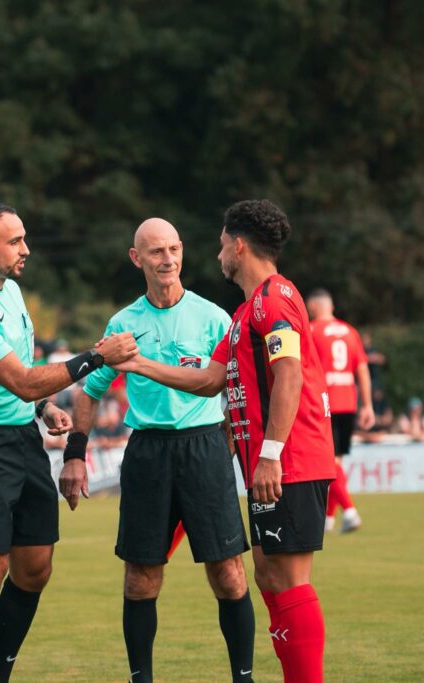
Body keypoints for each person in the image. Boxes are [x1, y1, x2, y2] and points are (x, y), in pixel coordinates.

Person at [112, 200, 335, 683]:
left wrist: (271, 455)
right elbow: (210, 380)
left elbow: (290, 374)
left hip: (289, 460)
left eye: (219, 245)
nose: (216, 256)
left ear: (238, 245)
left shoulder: (275, 300)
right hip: (268, 465)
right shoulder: (243, 314)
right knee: (268, 575)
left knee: (288, 580)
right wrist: (137, 364)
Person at [0, 201, 138, 683]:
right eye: (15, 241)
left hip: (23, 437)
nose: (26, 249)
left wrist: (44, 409)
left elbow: (24, 391)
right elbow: (23, 379)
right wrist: (95, 356)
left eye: (24, 238)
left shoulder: (12, 292)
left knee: (35, 566)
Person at [59, 218, 253, 683]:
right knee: (141, 577)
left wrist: (221, 449)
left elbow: (234, 391)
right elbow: (90, 391)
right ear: (136, 258)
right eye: (155, 252)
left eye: (173, 249)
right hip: (148, 452)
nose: (167, 260)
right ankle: (140, 677)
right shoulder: (124, 324)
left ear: (183, 251)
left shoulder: (213, 318)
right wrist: (74, 453)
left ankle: (243, 677)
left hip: (205, 448)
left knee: (228, 574)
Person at [306, 289, 374, 534]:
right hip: (348, 403)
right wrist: (367, 405)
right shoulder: (350, 331)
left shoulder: (312, 330)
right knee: (336, 462)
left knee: (329, 463)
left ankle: (350, 511)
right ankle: (328, 519)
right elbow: (363, 369)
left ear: (313, 305)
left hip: (324, 404)